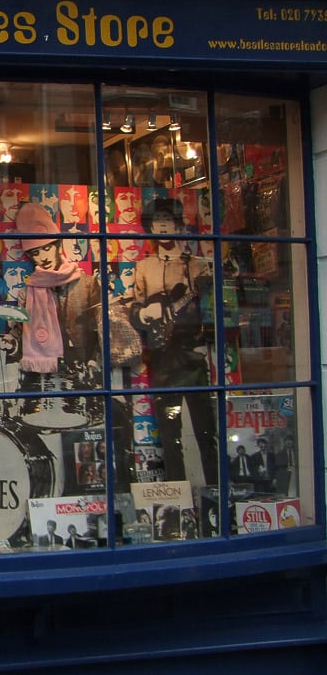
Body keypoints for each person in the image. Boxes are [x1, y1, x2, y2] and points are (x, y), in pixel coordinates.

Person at [131, 198, 217, 484]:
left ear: (178, 224)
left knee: (206, 429)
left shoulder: (196, 265)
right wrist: (144, 313)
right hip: (162, 358)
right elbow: (135, 308)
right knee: (170, 435)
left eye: (167, 219)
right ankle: (179, 494)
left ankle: (215, 489)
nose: (163, 225)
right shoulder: (144, 267)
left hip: (192, 355)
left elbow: (212, 307)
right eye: (157, 221)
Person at [16, 202, 102, 397]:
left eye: (47, 248)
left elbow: (101, 327)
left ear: (58, 245)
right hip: (45, 379)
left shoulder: (87, 284)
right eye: (35, 253)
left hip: (85, 372)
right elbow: (22, 336)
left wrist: (95, 361)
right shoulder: (27, 293)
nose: (43, 257)